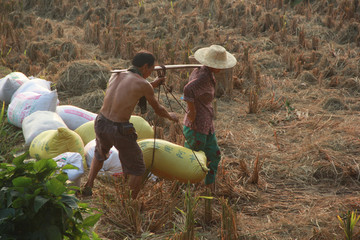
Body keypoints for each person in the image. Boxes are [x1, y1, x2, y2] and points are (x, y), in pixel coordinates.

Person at [81, 50, 178, 199]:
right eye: (150, 70)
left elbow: (128, 91)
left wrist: (152, 85)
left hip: (101, 122)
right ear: (145, 67)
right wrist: (170, 116)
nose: (150, 74)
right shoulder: (143, 84)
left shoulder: (117, 74)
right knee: (138, 168)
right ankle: (128, 204)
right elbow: (158, 109)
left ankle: (89, 185)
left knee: (99, 154)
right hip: (119, 129)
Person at [182, 45, 236, 193]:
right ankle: (185, 189)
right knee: (192, 160)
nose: (222, 68)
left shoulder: (205, 71)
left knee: (214, 155)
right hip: (197, 126)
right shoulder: (203, 76)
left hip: (207, 125)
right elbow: (188, 90)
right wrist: (191, 111)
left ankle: (209, 188)